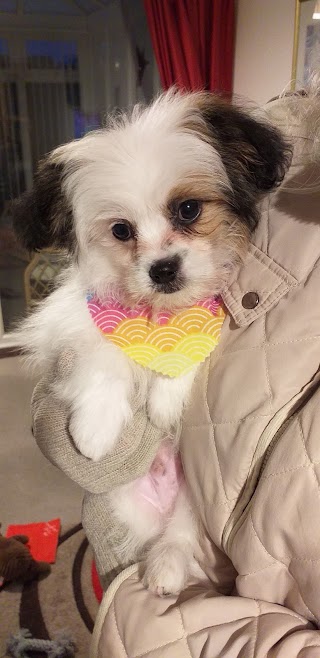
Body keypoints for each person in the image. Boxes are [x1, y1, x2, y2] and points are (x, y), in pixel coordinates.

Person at [31, 84, 320, 656]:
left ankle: (179, 542)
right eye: (123, 233)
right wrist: (90, 388)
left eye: (187, 213)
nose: (158, 254)